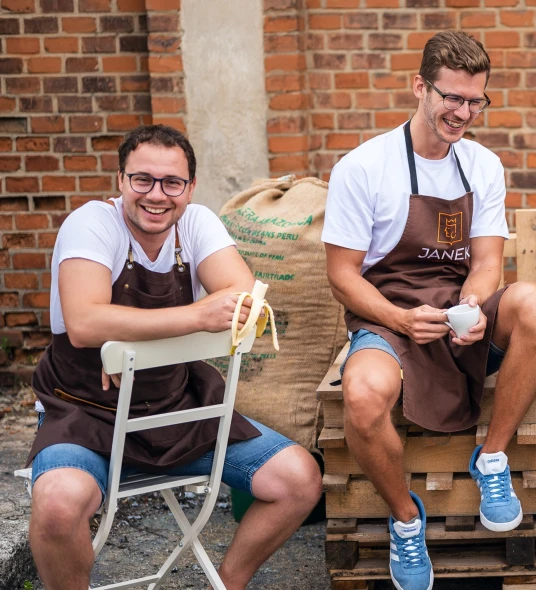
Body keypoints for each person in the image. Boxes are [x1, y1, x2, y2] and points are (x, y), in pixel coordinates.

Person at [25, 125, 323, 590]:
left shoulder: (197, 223)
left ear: (190, 187)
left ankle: (228, 583)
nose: (156, 195)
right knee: (59, 506)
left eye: (172, 183)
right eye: (142, 179)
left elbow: (245, 301)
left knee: (299, 480)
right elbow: (84, 323)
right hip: (86, 412)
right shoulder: (92, 224)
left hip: (179, 408)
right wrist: (196, 316)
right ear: (121, 179)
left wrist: (128, 344)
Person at [323, 30, 536, 590]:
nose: (462, 112)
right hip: (390, 319)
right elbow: (341, 276)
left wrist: (473, 305)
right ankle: (407, 519)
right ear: (419, 88)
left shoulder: (482, 165)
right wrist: (402, 320)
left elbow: (486, 261)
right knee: (360, 394)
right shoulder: (364, 167)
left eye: (475, 100)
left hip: (456, 317)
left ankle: (492, 458)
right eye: (451, 97)